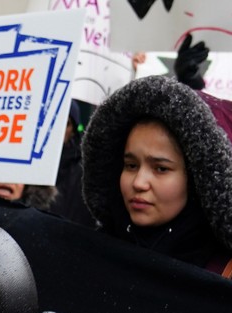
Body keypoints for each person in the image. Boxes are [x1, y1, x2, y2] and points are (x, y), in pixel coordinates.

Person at [81, 74, 232, 276]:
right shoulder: (89, 256)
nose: (139, 183)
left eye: (161, 168)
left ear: (200, 179)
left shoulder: (223, 275)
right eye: (131, 165)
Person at [49, 100, 95, 227]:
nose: (58, 128)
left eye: (65, 123)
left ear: (72, 130)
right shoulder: (30, 162)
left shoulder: (82, 169)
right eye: (54, 120)